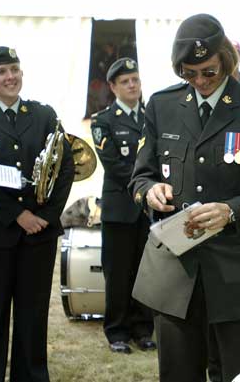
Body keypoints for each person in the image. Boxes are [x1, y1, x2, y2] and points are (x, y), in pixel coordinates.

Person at [128, 13, 240, 382]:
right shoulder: (162, 105)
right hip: (177, 275)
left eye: (209, 71)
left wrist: (232, 211)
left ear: (225, 58)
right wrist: (149, 191)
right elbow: (140, 175)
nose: (201, 82)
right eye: (190, 74)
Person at [0, 46, 75, 382]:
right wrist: (17, 215)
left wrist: (48, 216)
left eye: (14, 69)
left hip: (38, 234)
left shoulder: (44, 114)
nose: (10, 77)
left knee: (32, 317)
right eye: (1, 72)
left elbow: (65, 167)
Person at [90, 57, 155, 354]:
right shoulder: (104, 121)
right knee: (117, 273)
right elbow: (114, 165)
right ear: (113, 87)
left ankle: (143, 329)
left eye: (136, 80)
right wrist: (148, 184)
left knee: (146, 271)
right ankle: (116, 331)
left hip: (151, 210)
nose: (132, 85)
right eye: (125, 81)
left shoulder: (152, 116)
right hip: (120, 209)